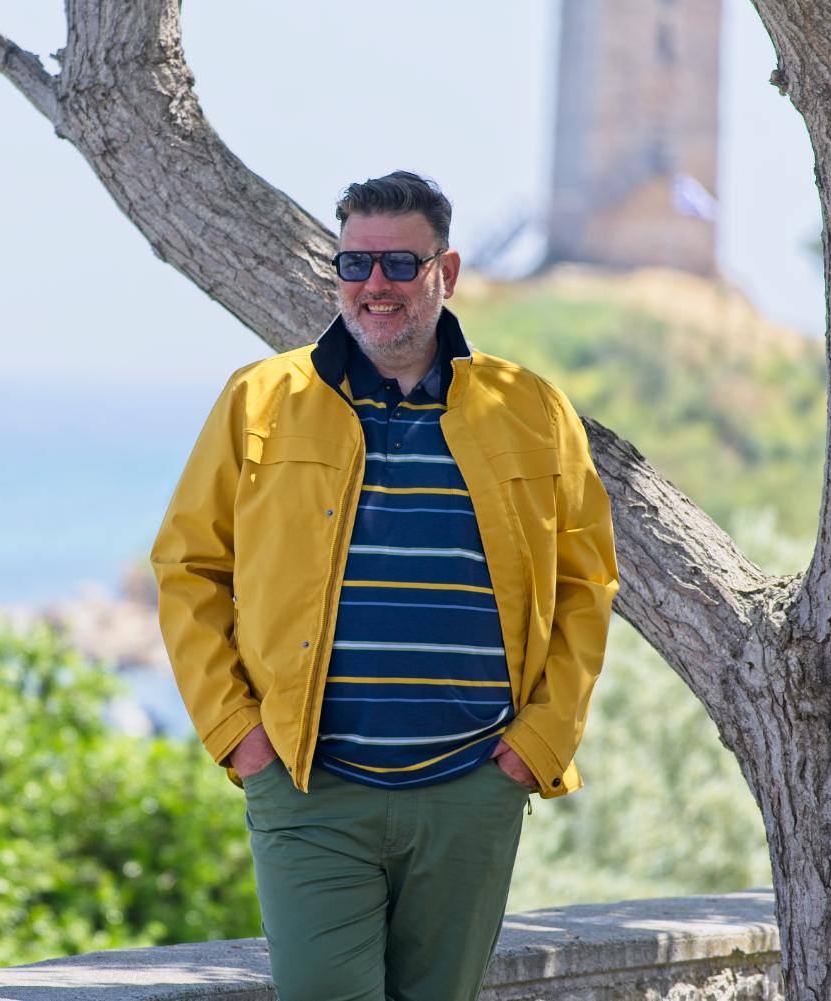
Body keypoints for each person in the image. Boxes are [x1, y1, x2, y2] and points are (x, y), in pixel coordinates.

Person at [151, 170, 618, 1001]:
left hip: (472, 787)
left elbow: (586, 585)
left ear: (447, 271)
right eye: (354, 263)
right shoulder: (261, 399)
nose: (375, 285)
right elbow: (189, 568)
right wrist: (239, 734)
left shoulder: (531, 410)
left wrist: (537, 745)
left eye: (401, 264)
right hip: (310, 787)